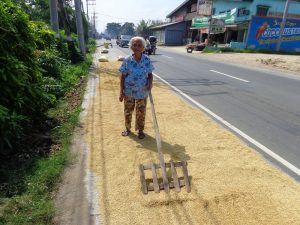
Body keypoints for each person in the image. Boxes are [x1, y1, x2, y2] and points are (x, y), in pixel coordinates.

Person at [119, 36, 154, 139]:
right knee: (128, 111)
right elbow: (123, 76)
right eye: (134, 45)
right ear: (131, 46)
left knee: (141, 112)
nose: (137, 47)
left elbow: (150, 74)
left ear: (143, 47)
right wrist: (121, 91)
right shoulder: (127, 60)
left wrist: (150, 83)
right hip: (129, 91)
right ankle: (127, 128)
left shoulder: (147, 60)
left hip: (142, 92)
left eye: (139, 45)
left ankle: (140, 130)